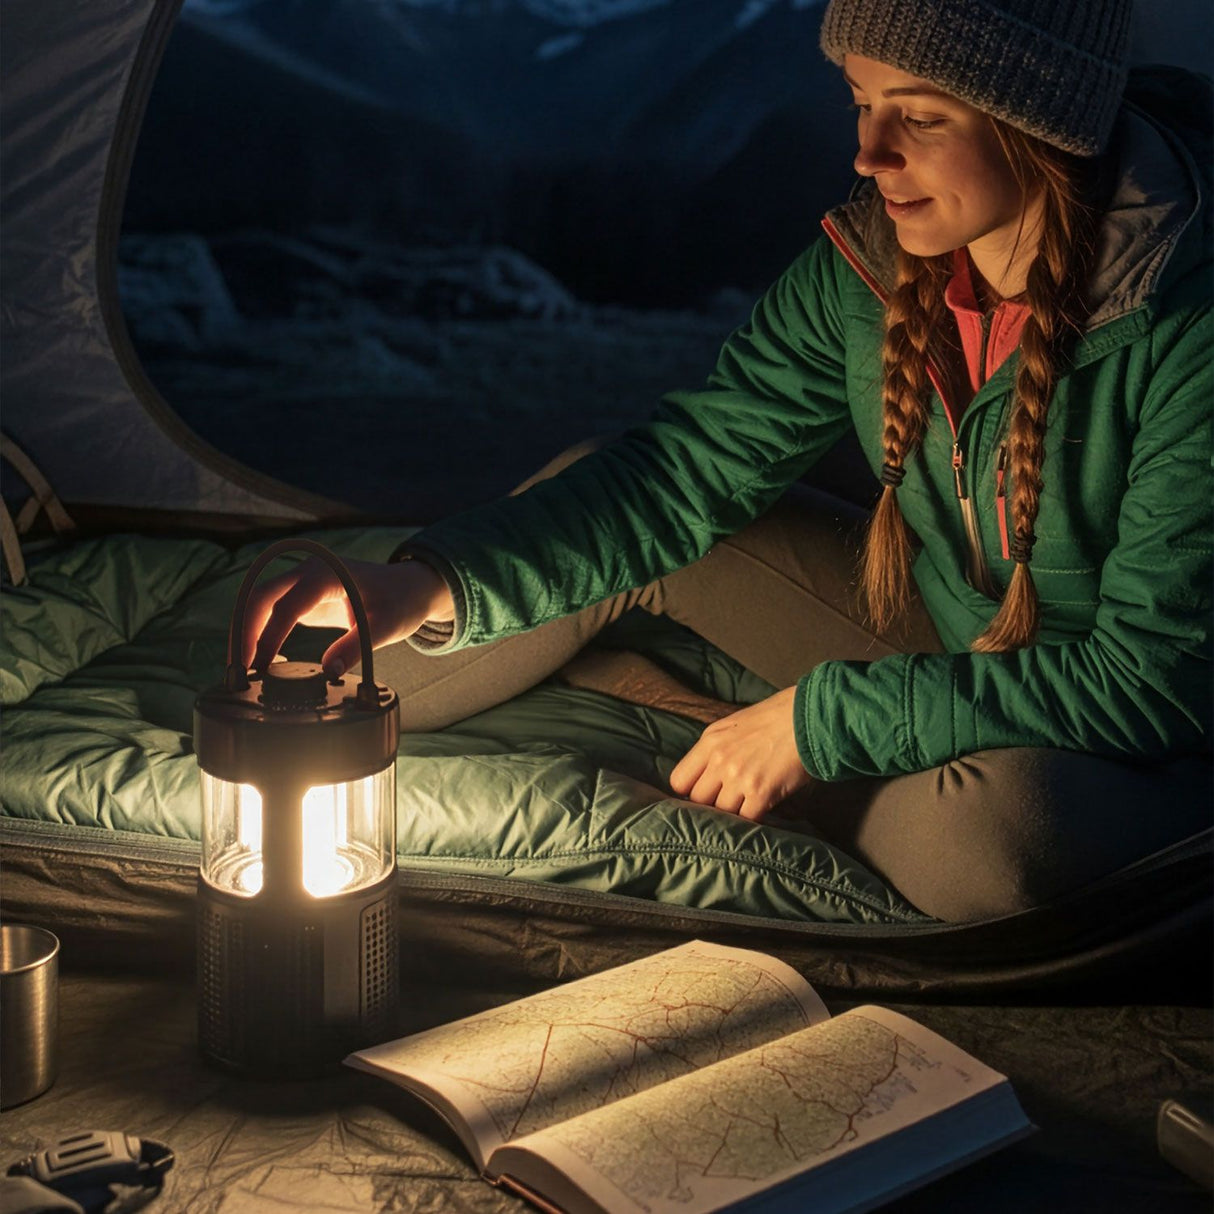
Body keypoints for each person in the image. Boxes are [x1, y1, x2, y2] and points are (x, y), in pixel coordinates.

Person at [243, 0, 1212, 921]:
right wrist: (423, 586)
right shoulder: (867, 268)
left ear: (1035, 121)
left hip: (1138, 738)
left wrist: (821, 723)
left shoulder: (1185, 321)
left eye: (916, 118)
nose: (866, 155)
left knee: (998, 843)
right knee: (500, 571)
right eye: (861, 104)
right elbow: (682, 475)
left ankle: (731, 748)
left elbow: (1153, 677)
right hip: (958, 638)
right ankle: (291, 719)